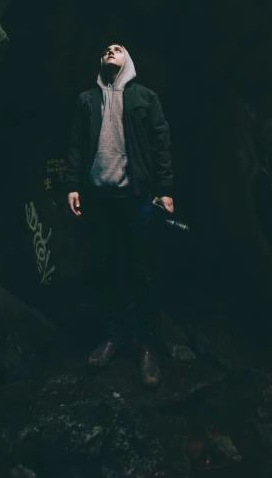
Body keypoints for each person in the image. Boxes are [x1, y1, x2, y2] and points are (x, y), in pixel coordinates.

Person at [65, 44, 174, 388]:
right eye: (106, 50)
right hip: (100, 199)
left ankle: (145, 345)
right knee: (106, 268)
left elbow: (161, 142)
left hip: (137, 198)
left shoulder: (145, 97)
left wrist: (166, 189)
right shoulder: (86, 100)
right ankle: (112, 337)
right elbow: (76, 145)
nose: (110, 51)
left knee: (143, 270)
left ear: (128, 60)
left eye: (118, 49)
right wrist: (72, 185)